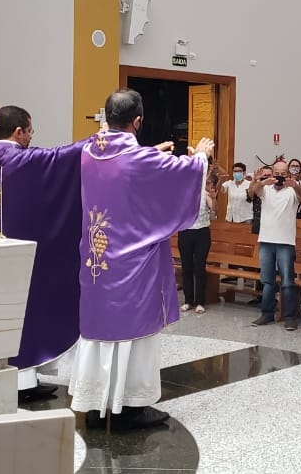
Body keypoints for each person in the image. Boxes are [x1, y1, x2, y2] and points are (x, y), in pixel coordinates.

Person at [68, 89, 213, 431]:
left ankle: (94, 405)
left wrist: (150, 153)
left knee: (98, 332)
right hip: (133, 265)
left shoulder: (88, 151)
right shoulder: (140, 159)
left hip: (96, 261)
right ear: (137, 121)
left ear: (107, 117)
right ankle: (129, 408)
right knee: (134, 335)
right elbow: (182, 172)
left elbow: (127, 172)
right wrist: (202, 157)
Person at [0, 105, 89, 403]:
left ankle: (25, 379)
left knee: (13, 315)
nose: (31, 137)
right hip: (23, 255)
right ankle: (21, 382)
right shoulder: (18, 160)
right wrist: (101, 139)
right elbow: (59, 157)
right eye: (30, 131)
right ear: (18, 131)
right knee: (27, 312)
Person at [249, 159, 301, 330]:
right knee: (267, 280)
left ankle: (290, 317)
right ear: (273, 174)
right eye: (277, 173)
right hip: (266, 240)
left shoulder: (292, 191)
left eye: (283, 173)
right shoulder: (266, 189)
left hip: (285, 242)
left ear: (287, 174)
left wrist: (295, 185)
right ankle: (267, 314)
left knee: (287, 281)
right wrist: (261, 181)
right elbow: (254, 191)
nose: (279, 177)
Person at [179, 171, 216, 315]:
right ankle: (188, 300)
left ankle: (200, 302)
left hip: (202, 232)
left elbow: (214, 210)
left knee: (200, 268)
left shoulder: (205, 194)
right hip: (185, 232)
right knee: (186, 267)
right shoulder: (183, 194)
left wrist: (214, 198)